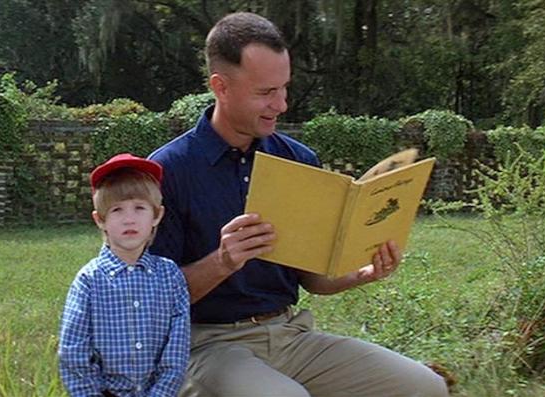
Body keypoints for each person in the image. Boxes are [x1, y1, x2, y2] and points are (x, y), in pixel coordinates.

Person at [148, 12, 449, 397]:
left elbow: (313, 280)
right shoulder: (166, 171)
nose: (282, 104)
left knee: (425, 386)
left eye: (284, 88)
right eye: (266, 92)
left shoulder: (298, 160)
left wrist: (363, 271)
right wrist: (223, 261)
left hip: (291, 336)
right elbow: (152, 300)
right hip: (207, 346)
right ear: (220, 87)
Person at [59, 153, 190, 397]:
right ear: (101, 220)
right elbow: (73, 351)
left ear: (157, 216)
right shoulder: (89, 280)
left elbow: (177, 349)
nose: (129, 219)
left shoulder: (170, 276)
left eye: (139, 208)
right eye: (117, 210)